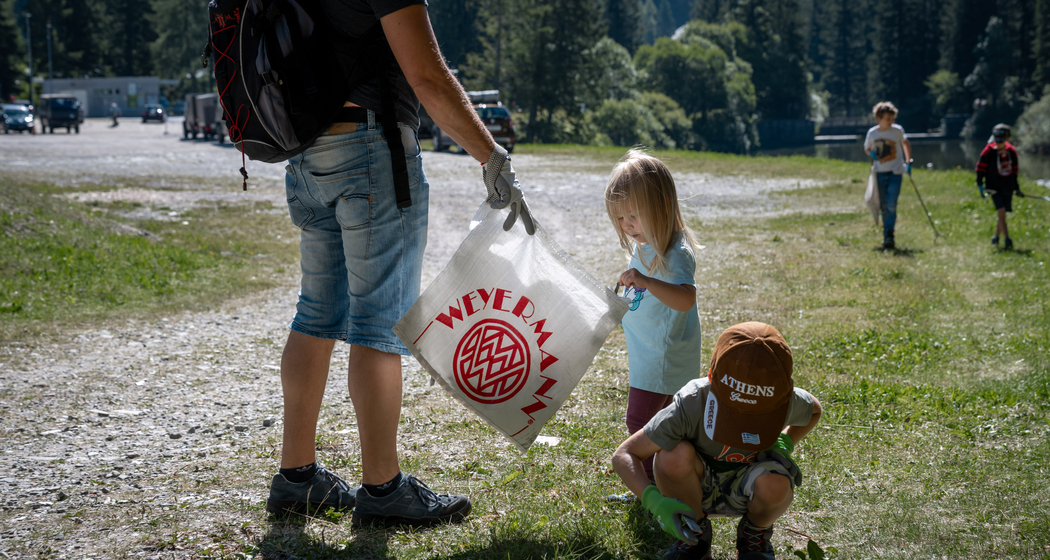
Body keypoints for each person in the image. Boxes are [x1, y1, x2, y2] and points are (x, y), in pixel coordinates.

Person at [264, 0, 535, 528]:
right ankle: (383, 488)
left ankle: (295, 477)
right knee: (378, 324)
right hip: (371, 146)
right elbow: (428, 76)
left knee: (315, 313)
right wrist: (492, 157)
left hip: (308, 153)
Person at [612, 322, 822, 560]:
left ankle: (754, 537)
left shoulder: (785, 401)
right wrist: (654, 501)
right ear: (711, 378)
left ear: (783, 392)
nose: (744, 421)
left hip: (749, 482)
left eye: (757, 415)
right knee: (671, 455)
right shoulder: (693, 402)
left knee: (777, 482)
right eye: (733, 412)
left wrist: (784, 441)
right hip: (697, 486)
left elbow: (814, 411)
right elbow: (624, 455)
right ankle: (695, 536)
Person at [604, 150, 702, 495]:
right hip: (647, 353)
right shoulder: (644, 246)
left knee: (640, 423)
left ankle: (651, 489)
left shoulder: (675, 252)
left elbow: (685, 298)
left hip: (663, 357)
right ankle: (673, 478)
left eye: (634, 215)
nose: (627, 225)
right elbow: (642, 296)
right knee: (666, 425)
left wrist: (645, 282)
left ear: (661, 206)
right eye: (621, 218)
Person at [864, 101, 912, 250]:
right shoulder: (873, 133)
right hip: (879, 173)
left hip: (896, 172)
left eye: (892, 119)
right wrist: (871, 153)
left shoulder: (897, 131)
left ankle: (889, 234)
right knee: (883, 205)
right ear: (879, 118)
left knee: (891, 205)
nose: (890, 122)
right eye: (887, 119)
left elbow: (905, 144)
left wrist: (908, 161)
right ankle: (887, 234)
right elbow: (867, 148)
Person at [975, 124, 1024, 250]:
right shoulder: (988, 151)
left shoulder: (1012, 152)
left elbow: (1015, 172)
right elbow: (980, 169)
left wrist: (1017, 188)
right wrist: (980, 185)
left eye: (1001, 139)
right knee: (1001, 212)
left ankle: (995, 237)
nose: (998, 142)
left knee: (1002, 215)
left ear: (1007, 138)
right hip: (993, 187)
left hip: (1007, 187)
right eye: (996, 138)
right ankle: (1007, 240)